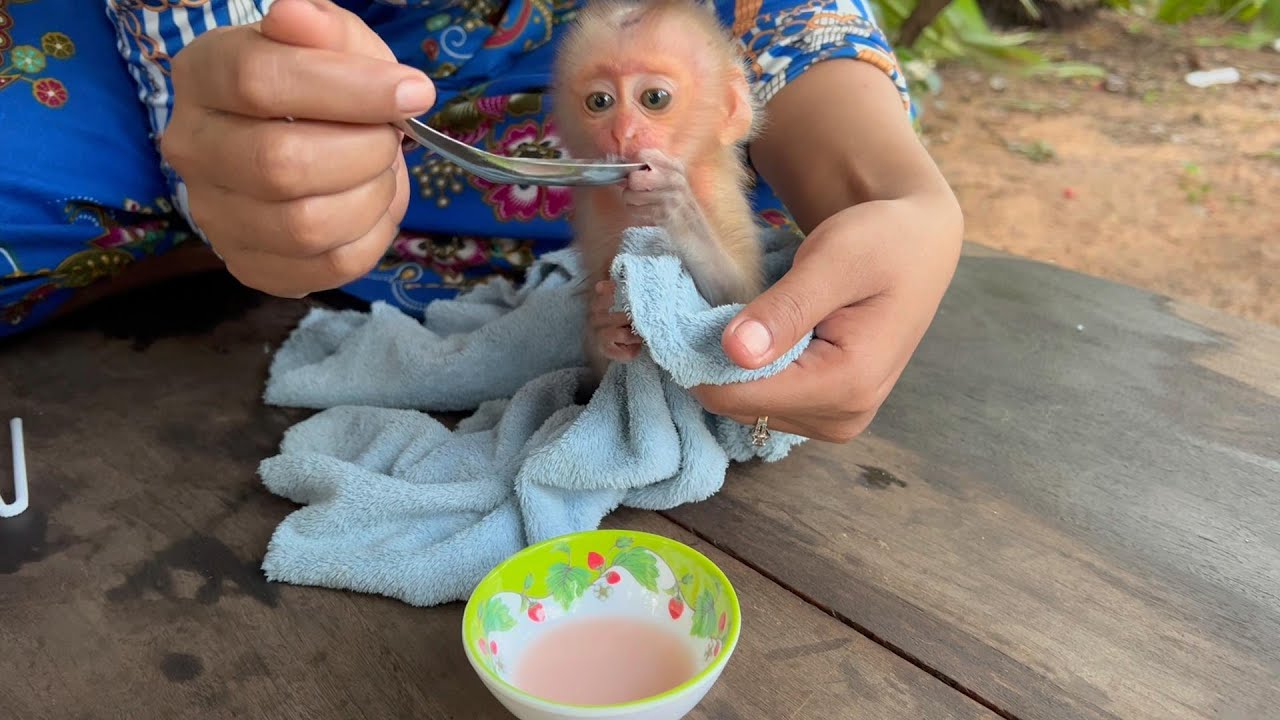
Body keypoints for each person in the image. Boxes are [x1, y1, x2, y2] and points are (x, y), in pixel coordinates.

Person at [0, 0, 962, 443]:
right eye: (603, 107)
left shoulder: (689, 113)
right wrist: (228, 85)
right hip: (233, 53)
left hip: (538, 115)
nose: (625, 129)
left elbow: (771, 47)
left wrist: (900, 191)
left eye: (654, 102)